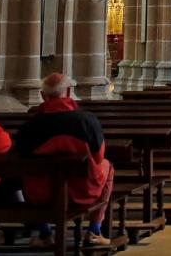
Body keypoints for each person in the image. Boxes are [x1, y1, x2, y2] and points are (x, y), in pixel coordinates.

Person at [15, 73, 112, 247]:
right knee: (107, 166)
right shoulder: (86, 121)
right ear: (68, 92)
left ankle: (45, 234)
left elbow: (20, 160)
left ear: (43, 95)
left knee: (27, 174)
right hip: (82, 191)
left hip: (42, 194)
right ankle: (94, 230)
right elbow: (98, 157)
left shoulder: (30, 127)